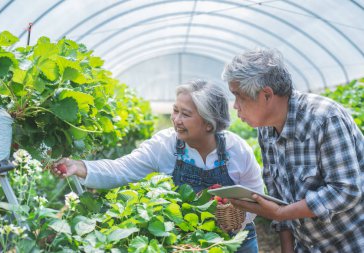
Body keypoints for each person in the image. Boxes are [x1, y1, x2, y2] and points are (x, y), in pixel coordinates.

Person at [52, 79, 264, 253]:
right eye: (175, 111)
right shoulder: (165, 144)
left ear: (209, 123)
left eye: (186, 114)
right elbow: (123, 168)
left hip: (236, 242)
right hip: (187, 242)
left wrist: (232, 221)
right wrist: (80, 167)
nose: (176, 120)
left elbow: (256, 195)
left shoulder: (237, 150)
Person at [221, 48, 364, 252]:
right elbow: (278, 196)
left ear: (267, 95)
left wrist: (282, 213)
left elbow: (346, 190)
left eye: (239, 96)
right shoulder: (266, 130)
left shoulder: (325, 119)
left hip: (350, 243)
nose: (235, 106)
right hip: (307, 245)